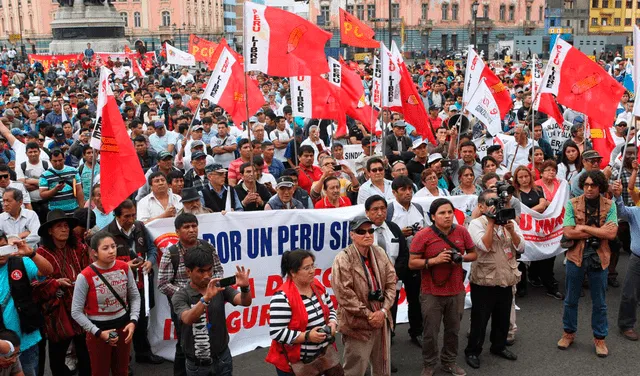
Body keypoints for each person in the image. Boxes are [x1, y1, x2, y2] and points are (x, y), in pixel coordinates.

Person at [409, 198, 477, 376]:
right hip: (431, 292)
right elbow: (412, 263)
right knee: (430, 332)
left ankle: (449, 361)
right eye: (442, 213)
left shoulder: (462, 231)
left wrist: (460, 257)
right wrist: (434, 261)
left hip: (456, 290)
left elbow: (473, 254)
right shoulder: (423, 235)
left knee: (453, 330)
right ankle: (429, 364)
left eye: (449, 212)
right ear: (433, 216)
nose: (447, 216)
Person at [557, 171, 617, 358]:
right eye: (586, 185)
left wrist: (582, 227)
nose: (589, 188)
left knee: (599, 303)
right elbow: (568, 232)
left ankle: (600, 339)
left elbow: (611, 234)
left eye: (593, 185)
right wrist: (598, 231)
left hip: (600, 258)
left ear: (600, 186)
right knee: (570, 299)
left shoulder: (610, 205)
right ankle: (568, 333)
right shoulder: (572, 203)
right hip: (576, 257)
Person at [171, 246, 252, 376]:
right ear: (188, 272)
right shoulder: (181, 295)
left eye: (209, 270)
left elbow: (244, 301)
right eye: (201, 271)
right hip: (197, 365)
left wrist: (245, 288)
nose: (207, 275)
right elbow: (187, 318)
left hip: (222, 358)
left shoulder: (219, 287)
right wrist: (206, 299)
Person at [465, 189, 524, 369]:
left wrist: (512, 231)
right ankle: (473, 351)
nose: (495, 207)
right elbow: (484, 245)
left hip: (506, 277)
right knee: (480, 319)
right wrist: (491, 223)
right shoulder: (476, 223)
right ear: (481, 206)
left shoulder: (509, 220)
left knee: (503, 317)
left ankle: (498, 347)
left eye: (497, 202)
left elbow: (521, 247)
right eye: (490, 203)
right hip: (484, 280)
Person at [101, 199, 164, 365]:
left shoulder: (140, 227)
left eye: (133, 215)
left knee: (142, 319)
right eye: (126, 216)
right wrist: (124, 266)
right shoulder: (106, 234)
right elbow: (101, 262)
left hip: (142, 282)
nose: (131, 220)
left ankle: (143, 352)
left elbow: (152, 248)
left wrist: (150, 261)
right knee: (121, 323)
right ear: (117, 216)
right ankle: (123, 361)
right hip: (119, 288)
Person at [331, 216, 397, 376]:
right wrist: (369, 315)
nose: (367, 235)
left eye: (370, 231)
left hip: (382, 320)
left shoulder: (380, 252)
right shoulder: (343, 258)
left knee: (383, 365)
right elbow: (344, 294)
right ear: (352, 235)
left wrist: (382, 311)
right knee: (355, 367)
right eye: (361, 231)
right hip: (357, 323)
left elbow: (391, 283)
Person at [70, 232, 141, 376]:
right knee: (99, 372)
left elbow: (134, 296)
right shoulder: (84, 276)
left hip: (124, 327)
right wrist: (98, 332)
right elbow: (76, 312)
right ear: (94, 252)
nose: (111, 251)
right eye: (105, 248)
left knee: (122, 371)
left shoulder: (124, 268)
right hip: (98, 331)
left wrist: (133, 320)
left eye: (113, 246)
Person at [157, 214, 219, 376]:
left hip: (209, 300)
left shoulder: (208, 248)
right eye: (186, 227)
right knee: (185, 344)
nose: (191, 230)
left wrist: (208, 287)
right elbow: (163, 284)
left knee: (210, 336)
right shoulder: (171, 253)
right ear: (177, 231)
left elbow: (219, 271)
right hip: (183, 305)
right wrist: (187, 294)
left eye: (194, 226)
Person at [265, 250, 341, 376]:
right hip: (296, 365)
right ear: (293, 272)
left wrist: (332, 323)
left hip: (322, 357)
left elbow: (331, 309)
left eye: (313, 265)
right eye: (307, 268)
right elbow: (276, 332)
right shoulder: (282, 297)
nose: (312, 271)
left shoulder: (317, 285)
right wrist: (307, 336)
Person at [34, 210, 91, 376]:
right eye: (59, 226)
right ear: (50, 230)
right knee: (57, 357)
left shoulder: (79, 248)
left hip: (81, 306)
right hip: (57, 313)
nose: (64, 229)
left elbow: (89, 271)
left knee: (85, 351)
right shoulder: (41, 254)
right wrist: (55, 283)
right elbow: (35, 286)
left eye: (66, 226)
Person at [0, 231, 53, 376]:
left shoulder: (20, 262)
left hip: (26, 341)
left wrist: (31, 253)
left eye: (3, 248)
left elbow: (48, 270)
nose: (1, 254)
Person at [612, 179, 640, 340]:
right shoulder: (635, 211)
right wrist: (617, 196)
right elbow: (620, 212)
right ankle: (626, 325)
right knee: (630, 294)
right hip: (637, 259)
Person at [39, 149, 84, 216]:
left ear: (64, 159)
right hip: (55, 213)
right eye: (55, 161)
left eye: (60, 160)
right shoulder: (44, 175)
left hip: (73, 211)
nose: (58, 163)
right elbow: (42, 195)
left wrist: (81, 209)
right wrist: (55, 190)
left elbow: (79, 190)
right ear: (50, 161)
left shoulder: (73, 171)